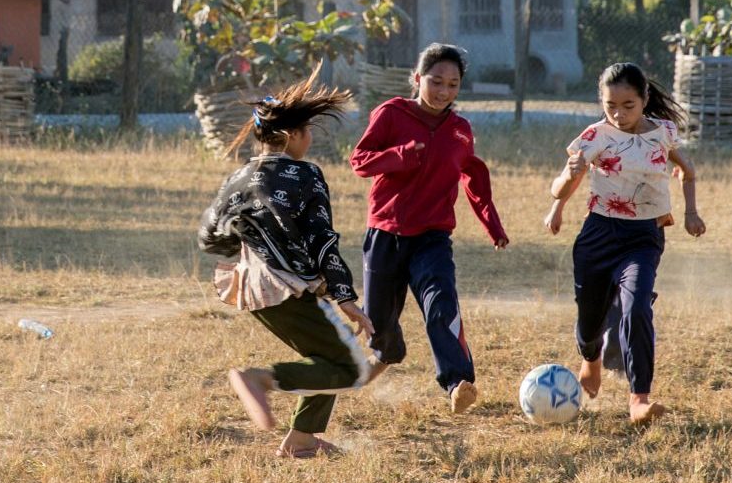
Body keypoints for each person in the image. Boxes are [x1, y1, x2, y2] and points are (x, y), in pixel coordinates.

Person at [200, 80, 380, 459]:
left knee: (324, 354)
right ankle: (260, 379)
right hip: (286, 284)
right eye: (308, 131)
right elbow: (322, 238)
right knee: (350, 368)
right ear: (292, 135)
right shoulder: (306, 175)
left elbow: (210, 236)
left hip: (248, 285)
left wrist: (248, 242)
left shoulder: (237, 178)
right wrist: (345, 296)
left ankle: (302, 439)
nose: (310, 138)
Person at [347, 42, 508, 415]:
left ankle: (457, 382)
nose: (443, 92)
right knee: (378, 319)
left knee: (441, 303)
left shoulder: (460, 130)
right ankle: (388, 351)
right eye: (436, 81)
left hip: (432, 238)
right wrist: (399, 156)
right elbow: (360, 161)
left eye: (453, 85)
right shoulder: (391, 114)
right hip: (385, 233)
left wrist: (493, 225)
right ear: (417, 79)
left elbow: (475, 176)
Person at [543, 62, 704, 426]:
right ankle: (591, 358)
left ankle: (639, 399)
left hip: (644, 237)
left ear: (645, 99)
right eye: (610, 105)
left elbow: (688, 170)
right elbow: (560, 186)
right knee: (590, 323)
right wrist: (562, 191)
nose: (618, 114)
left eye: (628, 105)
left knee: (636, 308)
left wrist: (691, 212)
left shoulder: (663, 132)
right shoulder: (594, 137)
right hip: (598, 236)